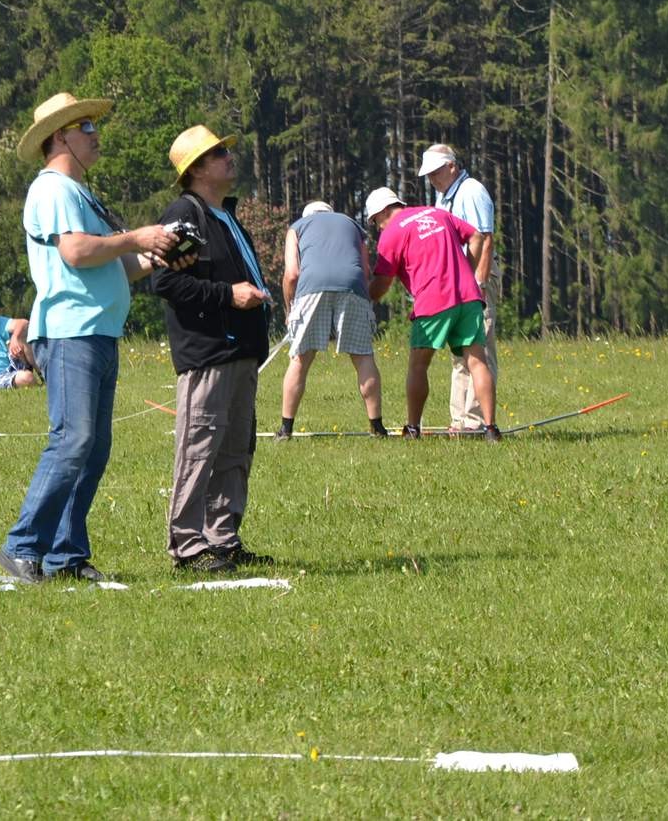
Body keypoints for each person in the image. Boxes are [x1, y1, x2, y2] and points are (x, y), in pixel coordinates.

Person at [0, 92, 178, 586]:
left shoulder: (78, 193)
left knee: (91, 450)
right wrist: (136, 237)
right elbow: (76, 252)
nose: (97, 136)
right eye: (88, 128)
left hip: (95, 331)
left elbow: (116, 263)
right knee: (74, 440)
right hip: (70, 331)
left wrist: (161, 254)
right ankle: (22, 546)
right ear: (61, 137)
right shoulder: (53, 188)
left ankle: (66, 555)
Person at [152, 124, 273, 573]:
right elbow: (164, 282)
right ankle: (187, 545)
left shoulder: (226, 216)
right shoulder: (184, 213)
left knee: (236, 449)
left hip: (241, 351)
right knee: (199, 449)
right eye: (219, 153)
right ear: (197, 169)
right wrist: (229, 295)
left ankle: (223, 539)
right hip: (207, 353)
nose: (229, 157)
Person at [364, 187, 502, 440]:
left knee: (418, 364)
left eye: (375, 222)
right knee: (477, 362)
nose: (378, 227)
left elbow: (382, 283)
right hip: (469, 296)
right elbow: (476, 237)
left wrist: (364, 297)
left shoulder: (391, 233)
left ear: (383, 212)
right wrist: (466, 271)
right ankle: (491, 429)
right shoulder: (436, 213)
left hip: (432, 300)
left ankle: (413, 428)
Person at [276, 200, 386, 440]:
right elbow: (365, 270)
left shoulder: (297, 227)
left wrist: (289, 309)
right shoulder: (353, 226)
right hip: (352, 285)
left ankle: (285, 429)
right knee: (363, 357)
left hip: (311, 287)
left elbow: (292, 274)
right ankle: (377, 427)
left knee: (300, 359)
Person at [421, 143, 500, 434]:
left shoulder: (472, 191)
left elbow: (485, 240)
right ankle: (459, 421)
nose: (432, 179)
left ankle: (477, 421)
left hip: (476, 279)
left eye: (436, 172)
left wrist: (479, 283)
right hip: (455, 281)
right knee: (459, 351)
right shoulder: (442, 198)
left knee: (479, 350)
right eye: (428, 174)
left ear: (452, 166)